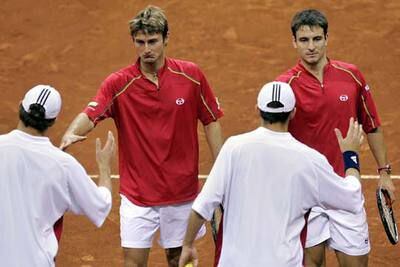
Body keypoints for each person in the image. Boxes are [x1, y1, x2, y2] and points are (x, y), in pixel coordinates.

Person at [59, 5, 224, 267]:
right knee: (133, 263)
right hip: (137, 195)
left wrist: (221, 170)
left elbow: (211, 120)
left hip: (181, 193)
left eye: (153, 41)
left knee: (178, 259)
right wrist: (70, 133)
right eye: (140, 42)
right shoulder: (118, 83)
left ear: (166, 38)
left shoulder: (191, 76)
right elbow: (91, 113)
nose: (146, 49)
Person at [178, 81, 365, 267]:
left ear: (257, 110)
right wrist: (350, 156)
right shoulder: (310, 160)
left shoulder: (233, 148)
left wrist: (187, 245)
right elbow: (352, 199)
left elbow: (202, 206)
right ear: (293, 113)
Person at [275, 9, 396, 266]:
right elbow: (273, 138)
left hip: (345, 187)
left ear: (327, 38)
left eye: (317, 39)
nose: (311, 47)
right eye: (304, 40)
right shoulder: (285, 86)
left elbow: (372, 125)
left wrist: (384, 172)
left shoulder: (351, 76)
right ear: (293, 42)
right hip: (305, 193)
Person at [0, 84, 115, 267]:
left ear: (21, 106)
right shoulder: (63, 165)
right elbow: (101, 206)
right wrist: (104, 167)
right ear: (52, 121)